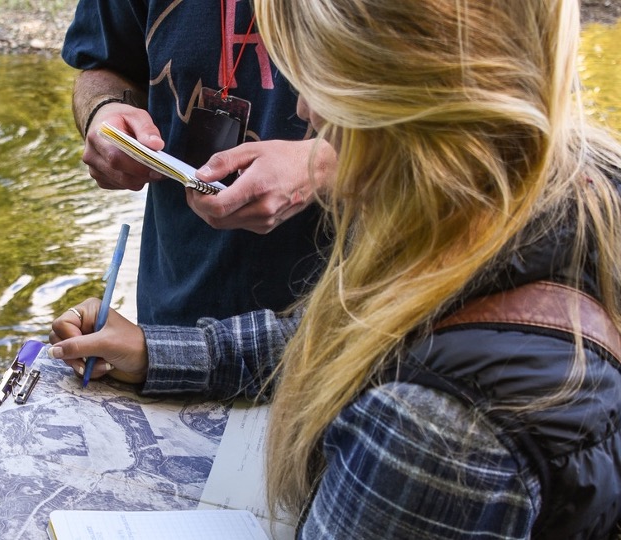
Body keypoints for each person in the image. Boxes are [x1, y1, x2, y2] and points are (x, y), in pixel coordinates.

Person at [48, 0, 621, 537]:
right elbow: (355, 330)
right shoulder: (558, 205)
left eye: (321, 76)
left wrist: (324, 165)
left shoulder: (428, 429)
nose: (301, 111)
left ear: (404, 89)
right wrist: (155, 351)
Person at [61, 0, 336, 327]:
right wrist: (102, 112)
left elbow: (394, 112)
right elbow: (104, 66)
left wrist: (325, 165)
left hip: (342, 313)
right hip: (170, 313)